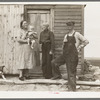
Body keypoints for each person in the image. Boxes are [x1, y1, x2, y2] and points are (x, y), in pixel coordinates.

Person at [51, 21, 89, 91]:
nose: (69, 27)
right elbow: (64, 45)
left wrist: (79, 47)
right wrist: (63, 51)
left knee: (71, 73)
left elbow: (86, 41)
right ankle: (57, 75)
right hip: (65, 55)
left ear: (73, 26)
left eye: (70, 26)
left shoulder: (77, 34)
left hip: (73, 56)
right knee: (54, 63)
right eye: (68, 26)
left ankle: (72, 89)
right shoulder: (66, 35)